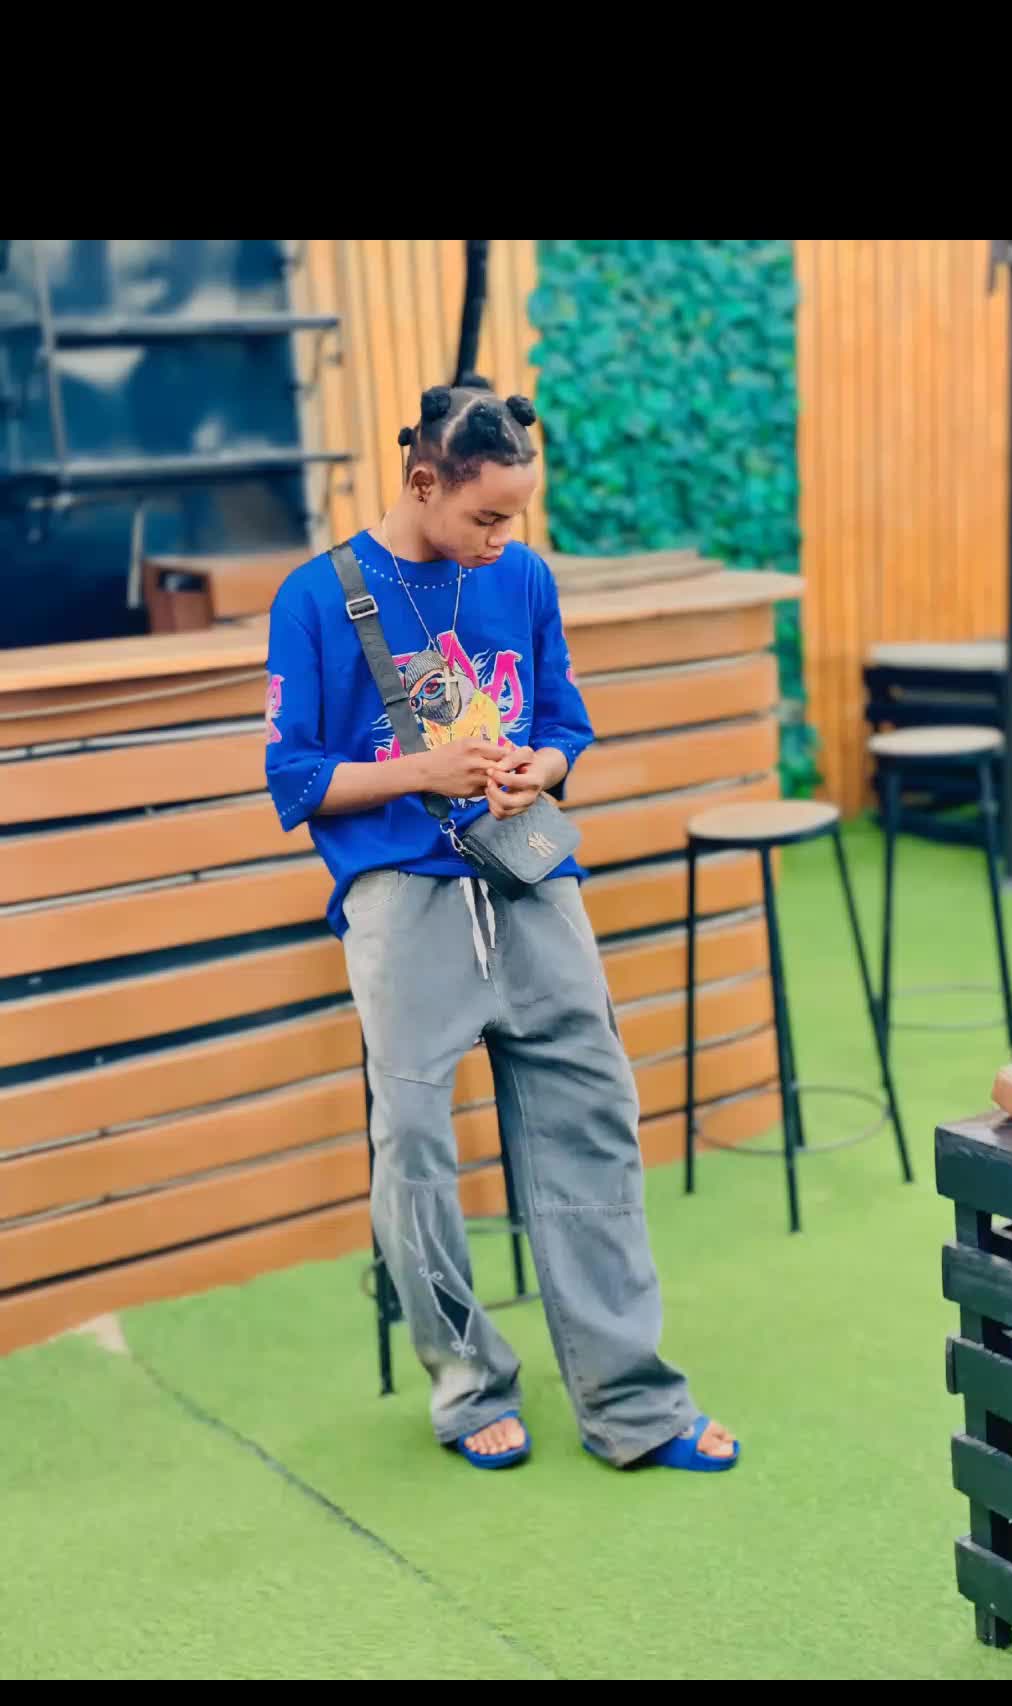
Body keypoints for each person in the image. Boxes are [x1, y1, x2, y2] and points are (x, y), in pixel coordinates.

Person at [265, 379, 738, 1475]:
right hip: (400, 895)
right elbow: (293, 778)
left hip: (531, 876)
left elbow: (565, 719)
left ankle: (632, 1402)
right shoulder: (317, 596)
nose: (502, 539)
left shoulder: (522, 576)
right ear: (423, 481)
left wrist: (543, 766)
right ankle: (467, 1382)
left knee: (595, 1116)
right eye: (485, 516)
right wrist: (420, 770)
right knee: (416, 1150)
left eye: (515, 517)